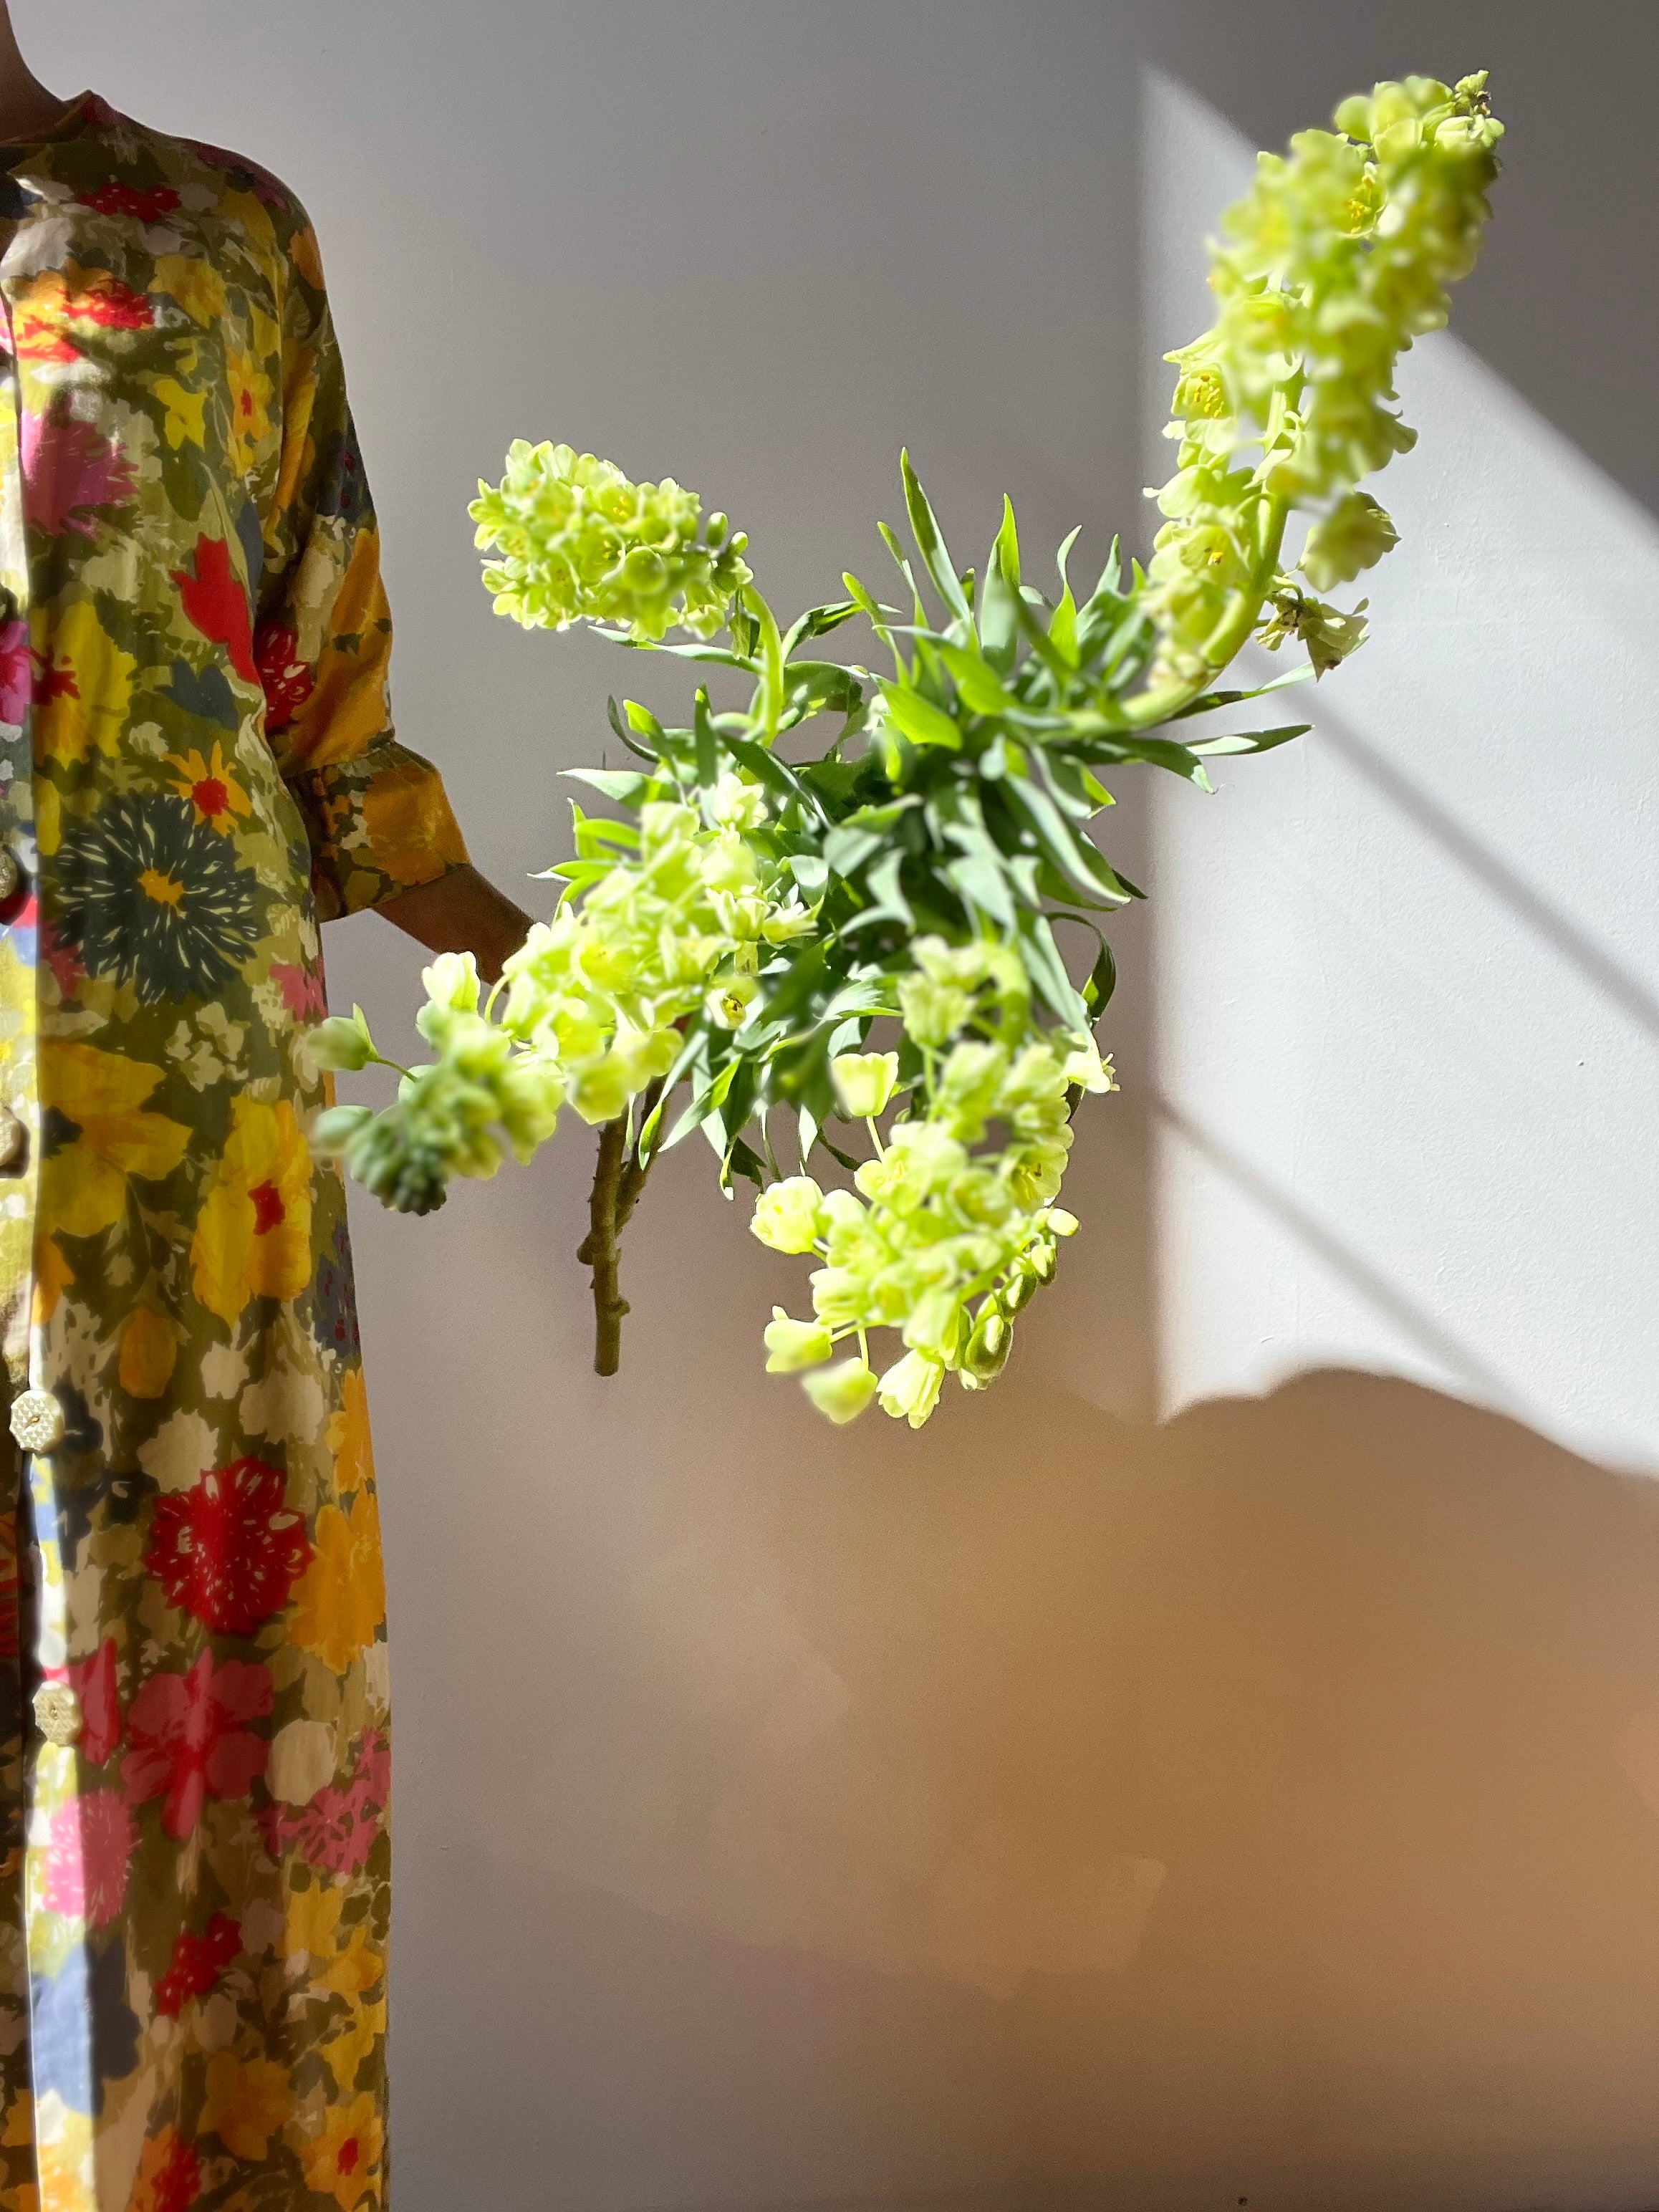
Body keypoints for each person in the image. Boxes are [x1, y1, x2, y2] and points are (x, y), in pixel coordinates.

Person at [0, 11, 531, 2206]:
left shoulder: (214, 237)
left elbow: (316, 668)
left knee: (189, 1625)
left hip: (183, 1086)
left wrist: (543, 950)